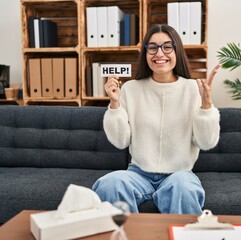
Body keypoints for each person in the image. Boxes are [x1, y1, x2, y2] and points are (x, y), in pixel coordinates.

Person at [92, 24, 220, 214]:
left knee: (184, 187)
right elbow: (121, 141)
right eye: (152, 48)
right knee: (109, 184)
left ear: (177, 51)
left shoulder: (193, 89)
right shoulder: (130, 89)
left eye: (167, 47)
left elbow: (206, 142)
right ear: (145, 53)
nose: (159, 53)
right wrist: (114, 104)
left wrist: (206, 106)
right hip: (138, 174)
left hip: (179, 174)